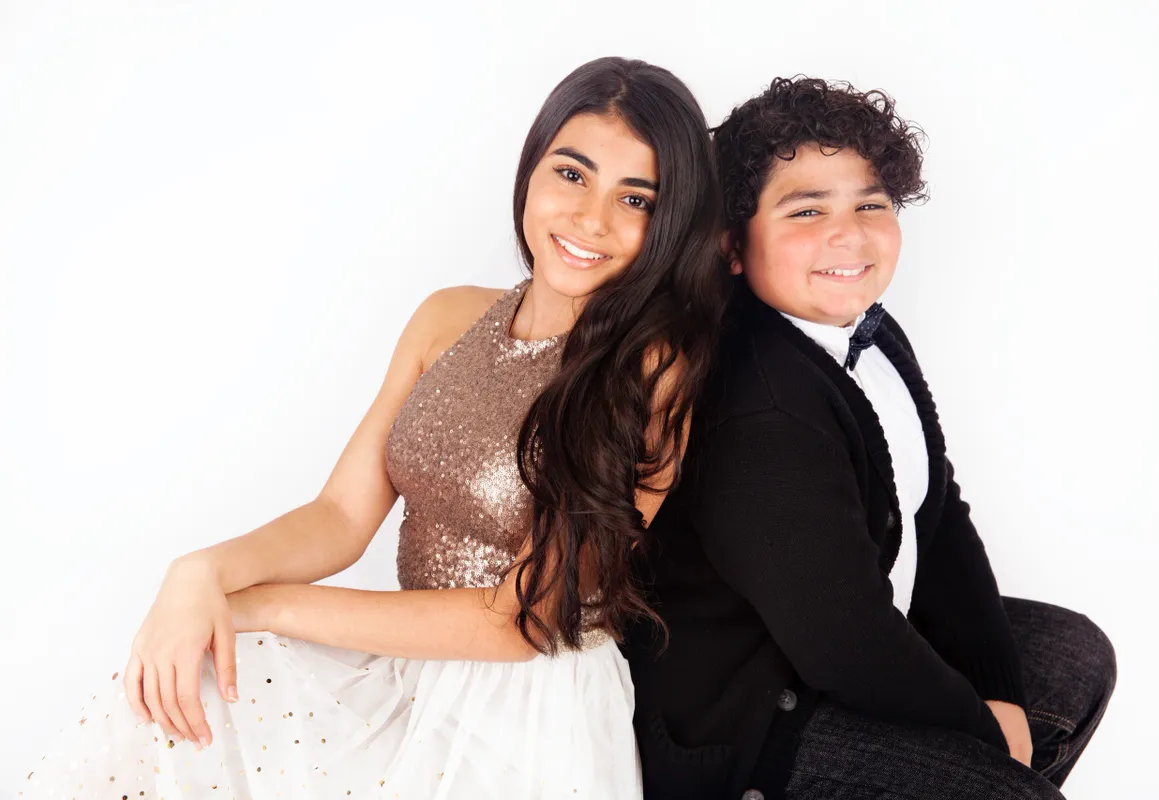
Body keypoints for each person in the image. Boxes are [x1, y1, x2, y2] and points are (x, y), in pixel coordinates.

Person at [15, 56, 726, 799]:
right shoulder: (448, 317)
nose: (591, 219)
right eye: (572, 175)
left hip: (525, 712)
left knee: (219, 648)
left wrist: (253, 605)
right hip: (406, 677)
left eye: (635, 198)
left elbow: (519, 620)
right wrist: (201, 573)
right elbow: (342, 517)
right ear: (530, 169)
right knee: (166, 697)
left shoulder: (650, 370)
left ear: (669, 221)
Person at [624, 77, 1116, 800]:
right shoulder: (760, 399)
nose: (847, 233)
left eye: (870, 204)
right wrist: (980, 737)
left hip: (843, 646)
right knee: (1008, 790)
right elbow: (842, 640)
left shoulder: (871, 338)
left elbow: (938, 515)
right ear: (733, 244)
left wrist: (995, 691)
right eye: (807, 209)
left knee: (1072, 659)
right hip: (754, 722)